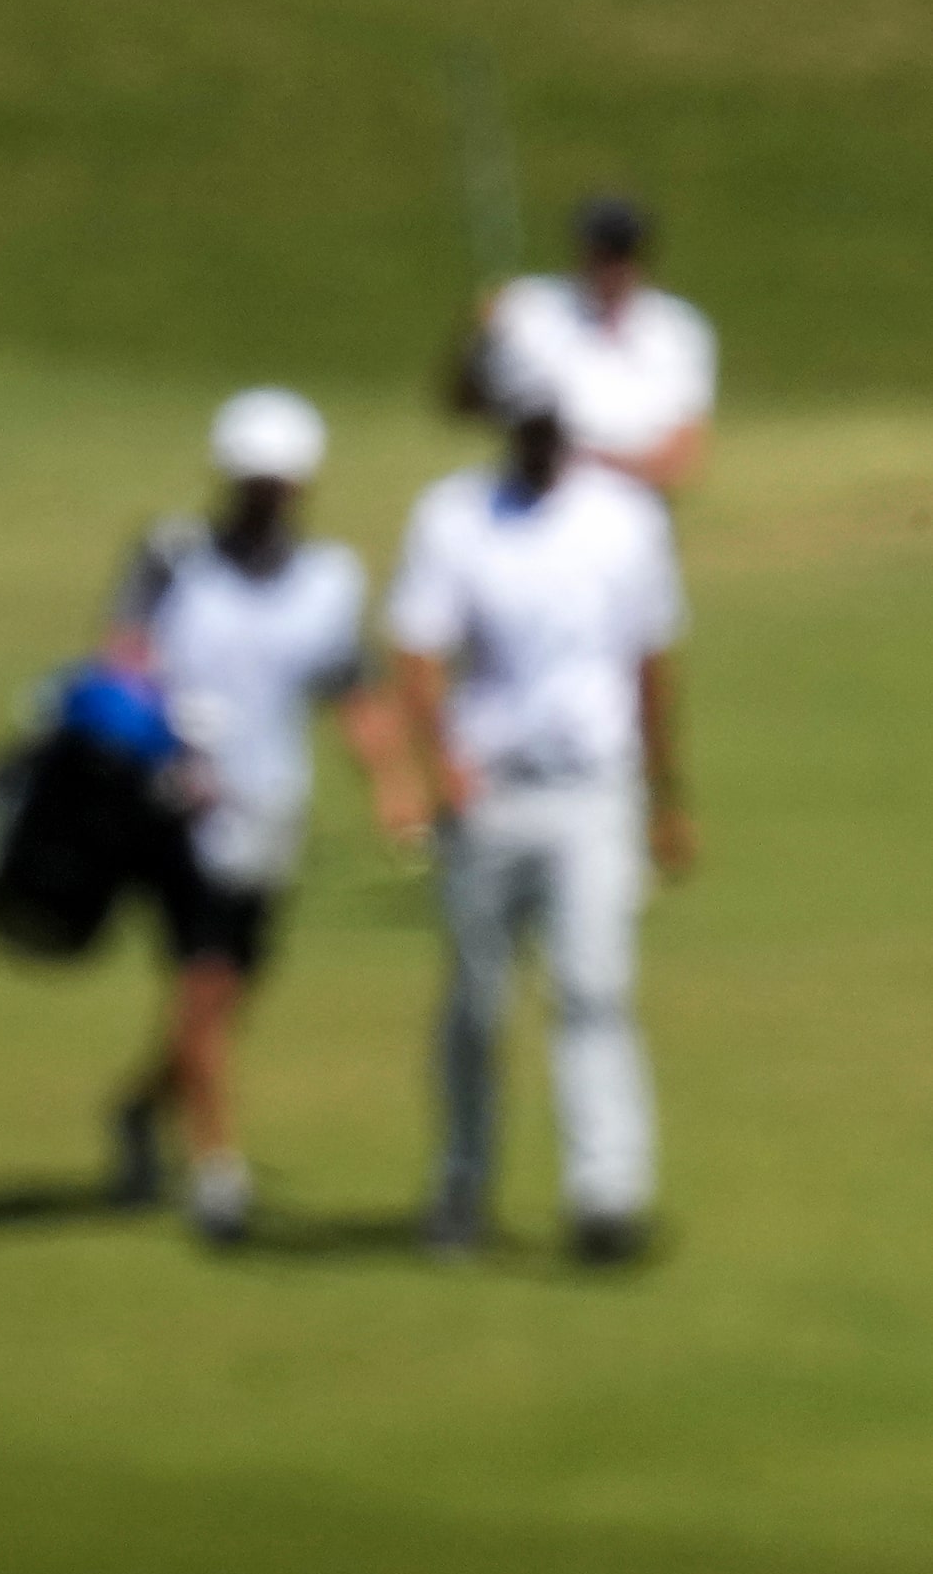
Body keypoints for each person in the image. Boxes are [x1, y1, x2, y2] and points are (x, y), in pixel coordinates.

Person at [387, 368, 696, 1262]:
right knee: (477, 1006)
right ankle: (460, 1189)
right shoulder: (453, 516)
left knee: (594, 990)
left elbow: (651, 664)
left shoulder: (627, 519)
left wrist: (669, 800)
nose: (539, 441)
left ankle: (607, 1196)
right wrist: (439, 765)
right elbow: (417, 650)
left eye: (552, 425)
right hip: (489, 792)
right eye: (525, 425)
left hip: (594, 787)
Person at [104, 389, 425, 1245]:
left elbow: (353, 692)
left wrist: (393, 788)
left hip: (271, 815)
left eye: (276, 484)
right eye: (251, 482)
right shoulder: (171, 559)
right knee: (205, 981)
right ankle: (219, 1175)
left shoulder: (324, 584)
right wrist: (161, 736)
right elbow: (122, 667)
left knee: (227, 989)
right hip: (174, 814)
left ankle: (140, 1109)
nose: (262, 498)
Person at [463, 196, 715, 493]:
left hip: (628, 507)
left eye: (619, 253)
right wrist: (478, 343)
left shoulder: (678, 329)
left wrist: (582, 460)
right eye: (600, 253)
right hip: (535, 499)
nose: (608, 267)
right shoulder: (527, 308)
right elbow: (468, 405)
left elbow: (678, 461)